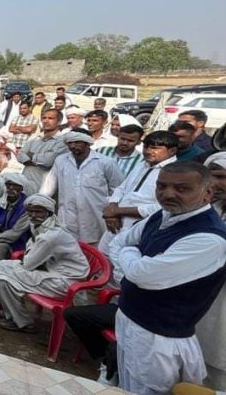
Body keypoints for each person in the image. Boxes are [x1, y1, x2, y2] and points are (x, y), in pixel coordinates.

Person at [109, 161, 226, 395]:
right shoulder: (162, 215)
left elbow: (143, 275)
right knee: (124, 383)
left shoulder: (209, 238)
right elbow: (118, 242)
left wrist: (132, 259)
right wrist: (133, 265)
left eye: (182, 189)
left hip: (158, 339)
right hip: (129, 319)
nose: (168, 194)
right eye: (161, 186)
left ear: (207, 193)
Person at [0, 194, 89, 333]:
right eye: (31, 212)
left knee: (4, 277)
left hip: (65, 283)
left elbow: (29, 264)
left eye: (38, 211)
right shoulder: (41, 226)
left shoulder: (51, 235)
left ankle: (17, 319)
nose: (33, 215)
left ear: (48, 212)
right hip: (50, 273)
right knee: (3, 267)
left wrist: (28, 258)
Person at [101, 130, 178, 258]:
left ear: (172, 151)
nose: (148, 151)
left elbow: (162, 208)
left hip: (140, 229)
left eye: (155, 148)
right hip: (115, 224)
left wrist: (118, 211)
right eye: (146, 147)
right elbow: (121, 188)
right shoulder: (143, 165)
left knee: (124, 265)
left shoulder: (175, 173)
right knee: (102, 260)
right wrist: (112, 208)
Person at [42, 130, 123, 244]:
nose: (73, 146)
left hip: (95, 216)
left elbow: (118, 189)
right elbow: (49, 186)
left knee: (95, 251)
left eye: (77, 142)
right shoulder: (61, 161)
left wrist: (113, 212)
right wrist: (41, 204)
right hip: (67, 216)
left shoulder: (105, 162)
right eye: (70, 143)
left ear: (87, 143)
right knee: (68, 248)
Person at [199, 153, 226, 389]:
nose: (216, 183)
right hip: (197, 302)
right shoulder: (207, 209)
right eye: (212, 176)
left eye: (221, 177)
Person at [16, 109, 67, 190]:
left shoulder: (62, 141)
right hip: (25, 183)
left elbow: (49, 161)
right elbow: (19, 155)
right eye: (44, 118)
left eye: (50, 118)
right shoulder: (34, 137)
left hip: (44, 187)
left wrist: (30, 155)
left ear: (59, 122)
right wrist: (40, 158)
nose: (46, 121)